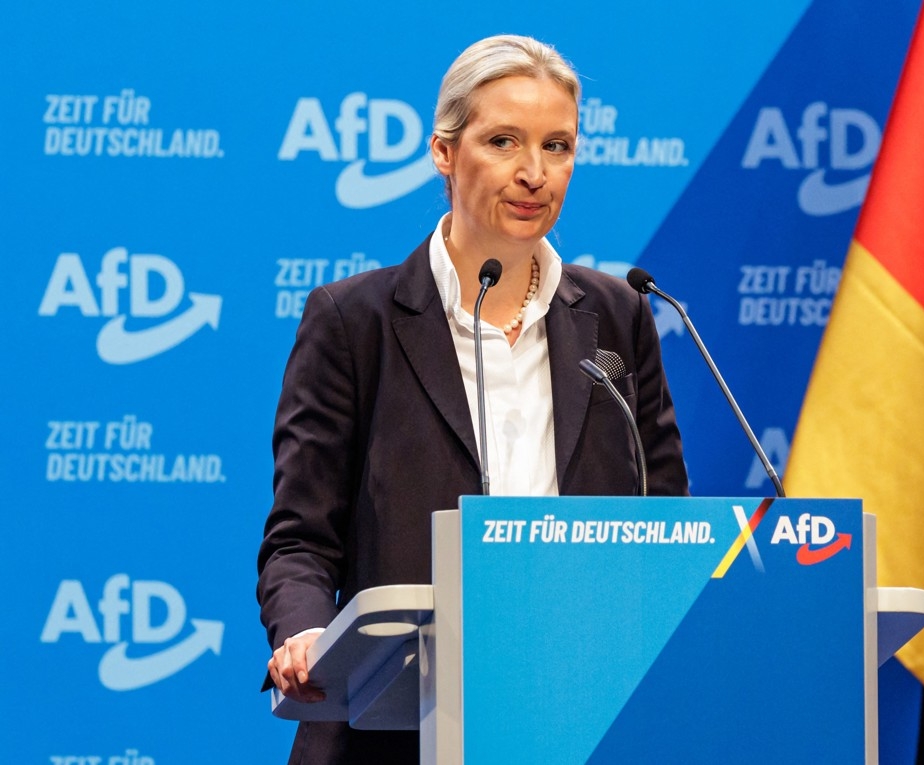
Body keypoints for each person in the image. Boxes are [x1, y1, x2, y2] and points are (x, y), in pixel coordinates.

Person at [257, 34, 688, 764]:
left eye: (558, 146)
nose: (534, 173)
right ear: (444, 153)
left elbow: (665, 523)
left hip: (582, 715)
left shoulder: (618, 314)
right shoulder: (353, 321)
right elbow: (301, 536)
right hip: (396, 726)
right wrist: (303, 633)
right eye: (503, 141)